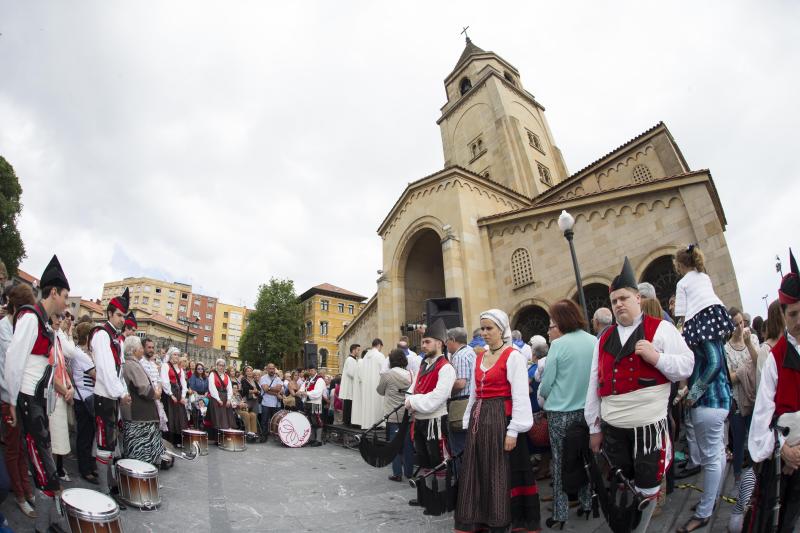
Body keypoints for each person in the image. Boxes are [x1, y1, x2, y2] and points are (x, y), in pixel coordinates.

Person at [584, 257, 694, 533]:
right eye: (614, 301)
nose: (619, 304)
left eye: (623, 298)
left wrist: (656, 358)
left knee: (648, 487)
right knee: (622, 484)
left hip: (648, 428)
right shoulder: (604, 339)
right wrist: (594, 428)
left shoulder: (662, 329)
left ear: (638, 298)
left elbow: (687, 364)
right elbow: (594, 385)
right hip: (613, 428)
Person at [4, 255, 74, 532]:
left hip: (37, 402)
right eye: (65, 296)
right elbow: (13, 360)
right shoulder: (31, 318)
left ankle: (50, 520)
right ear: (53, 292)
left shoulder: (45, 322)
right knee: (44, 468)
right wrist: (11, 401)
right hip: (27, 401)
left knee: (45, 466)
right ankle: (44, 526)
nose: (66, 302)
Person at [455, 310, 537, 532]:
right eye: (482, 328)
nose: (484, 333)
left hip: (501, 419)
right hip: (479, 420)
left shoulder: (513, 356)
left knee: (498, 472)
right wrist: (467, 417)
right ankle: (480, 517)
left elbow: (521, 395)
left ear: (501, 330)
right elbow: (474, 392)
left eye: (489, 328)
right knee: (478, 470)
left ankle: (499, 519)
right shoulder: (480, 356)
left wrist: (514, 430)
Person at [673, 245, 734, 532]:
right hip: (717, 401)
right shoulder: (703, 279)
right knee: (716, 456)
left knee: (712, 459)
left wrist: (693, 394)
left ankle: (705, 510)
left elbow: (713, 362)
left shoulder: (686, 286)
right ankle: (707, 507)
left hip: (709, 402)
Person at [747, 249, 800, 532]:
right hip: (789, 457)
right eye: (793, 314)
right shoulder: (774, 359)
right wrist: (783, 449)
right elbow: (762, 416)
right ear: (782, 313)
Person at [538, 299, 596, 527]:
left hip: (560, 414)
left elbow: (546, 384)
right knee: (585, 458)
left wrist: (545, 396)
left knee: (561, 463)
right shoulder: (593, 341)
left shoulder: (559, 346)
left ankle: (561, 514)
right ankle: (588, 503)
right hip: (587, 411)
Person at [405, 319, 457, 516]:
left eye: (427, 341)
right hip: (420, 420)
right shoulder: (423, 365)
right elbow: (412, 389)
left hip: (435, 421)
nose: (423, 345)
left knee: (438, 461)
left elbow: (437, 398)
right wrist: (409, 400)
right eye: (423, 341)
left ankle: (440, 499)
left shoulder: (446, 368)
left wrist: (412, 402)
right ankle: (426, 497)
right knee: (424, 460)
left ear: (439, 343)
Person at [89, 286, 133, 507]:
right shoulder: (101, 335)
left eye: (124, 316)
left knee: (111, 441)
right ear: (109, 314)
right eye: (118, 315)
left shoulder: (117, 339)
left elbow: (119, 370)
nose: (122, 320)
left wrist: (121, 392)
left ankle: (110, 484)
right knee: (104, 442)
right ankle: (104, 488)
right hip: (104, 396)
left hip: (112, 397)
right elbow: (106, 371)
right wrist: (120, 393)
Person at [0, 283, 37, 517]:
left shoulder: (20, 325)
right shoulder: (4, 328)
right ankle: (20, 493)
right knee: (13, 448)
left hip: (22, 396)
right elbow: (7, 367)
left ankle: (26, 487)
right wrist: (11, 397)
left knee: (22, 446)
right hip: (7, 397)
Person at [725, 306, 759, 491]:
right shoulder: (726, 349)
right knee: (738, 441)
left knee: (755, 437)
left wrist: (750, 346)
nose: (740, 327)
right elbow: (728, 377)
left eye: (742, 323)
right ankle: (738, 478)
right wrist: (745, 370)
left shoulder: (752, 338)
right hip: (738, 400)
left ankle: (757, 474)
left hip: (754, 397)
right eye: (736, 324)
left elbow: (759, 362)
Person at [121, 336, 165, 466]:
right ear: (134, 350)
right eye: (141, 347)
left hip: (138, 414)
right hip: (139, 415)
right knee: (140, 449)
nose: (142, 350)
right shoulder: (132, 365)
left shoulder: (130, 363)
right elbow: (144, 388)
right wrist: (156, 394)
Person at [377, 348, 413, 481]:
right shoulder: (411, 373)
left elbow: (380, 391)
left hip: (393, 414)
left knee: (394, 444)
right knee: (408, 444)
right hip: (408, 414)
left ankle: (397, 473)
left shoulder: (387, 375)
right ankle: (409, 472)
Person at [70, 321, 97, 484]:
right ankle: (85, 469)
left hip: (84, 398)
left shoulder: (81, 353)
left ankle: (88, 466)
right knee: (85, 436)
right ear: (87, 337)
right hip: (84, 398)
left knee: (88, 434)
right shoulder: (81, 355)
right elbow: (96, 374)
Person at [445, 326, 476, 457]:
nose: (446, 344)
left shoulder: (459, 356)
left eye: (447, 341)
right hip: (471, 402)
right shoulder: (470, 351)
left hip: (461, 405)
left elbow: (460, 383)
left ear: (453, 339)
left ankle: (462, 476)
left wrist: (444, 391)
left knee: (459, 447)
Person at [160, 347, 189, 446]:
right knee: (170, 415)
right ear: (170, 355)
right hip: (169, 394)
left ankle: (178, 440)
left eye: (177, 355)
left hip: (178, 393)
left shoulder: (179, 368)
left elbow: (183, 384)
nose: (176, 356)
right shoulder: (165, 365)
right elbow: (164, 381)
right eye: (174, 354)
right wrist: (170, 394)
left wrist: (183, 396)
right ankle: (168, 440)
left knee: (179, 416)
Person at [357, 339, 385, 429]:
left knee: (368, 404)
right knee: (377, 403)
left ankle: (367, 423)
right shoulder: (379, 355)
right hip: (376, 383)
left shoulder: (365, 357)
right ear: (379, 345)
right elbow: (384, 371)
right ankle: (378, 423)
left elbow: (360, 373)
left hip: (366, 385)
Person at [207, 358, 237, 434]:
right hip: (215, 398)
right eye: (220, 365)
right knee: (218, 418)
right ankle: (217, 438)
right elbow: (212, 388)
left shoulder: (227, 376)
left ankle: (225, 437)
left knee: (227, 418)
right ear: (217, 366)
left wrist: (229, 399)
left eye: (223, 366)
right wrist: (218, 399)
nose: (221, 367)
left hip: (225, 398)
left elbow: (229, 388)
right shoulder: (212, 374)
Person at [300, 367, 326, 446]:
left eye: (312, 370)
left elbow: (318, 392)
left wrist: (307, 393)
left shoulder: (319, 380)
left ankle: (318, 440)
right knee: (310, 421)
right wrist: (300, 392)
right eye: (309, 370)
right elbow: (302, 388)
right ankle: (312, 438)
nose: (310, 372)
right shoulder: (308, 380)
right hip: (308, 402)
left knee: (317, 421)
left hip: (316, 403)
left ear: (315, 371)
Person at [259, 363, 283, 441]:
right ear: (267, 369)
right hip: (266, 403)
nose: (271, 370)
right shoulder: (263, 378)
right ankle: (264, 436)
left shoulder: (278, 379)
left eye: (273, 368)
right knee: (264, 421)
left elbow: (278, 389)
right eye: (270, 368)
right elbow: (265, 389)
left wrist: (269, 388)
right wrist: (275, 392)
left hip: (276, 404)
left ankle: (277, 436)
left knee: (277, 421)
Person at [339, 344, 360, 426]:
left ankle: (348, 421)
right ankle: (347, 422)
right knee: (348, 404)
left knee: (349, 403)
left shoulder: (353, 360)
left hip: (351, 385)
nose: (359, 352)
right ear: (354, 350)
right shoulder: (350, 360)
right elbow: (351, 373)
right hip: (349, 386)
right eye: (358, 350)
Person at [187, 362, 209, 429]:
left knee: (203, 413)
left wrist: (206, 393)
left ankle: (202, 427)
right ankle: (196, 427)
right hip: (196, 395)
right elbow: (192, 386)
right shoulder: (193, 376)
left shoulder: (205, 377)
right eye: (198, 368)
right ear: (196, 369)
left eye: (201, 368)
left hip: (204, 396)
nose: (200, 370)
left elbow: (207, 387)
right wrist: (196, 394)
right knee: (196, 413)